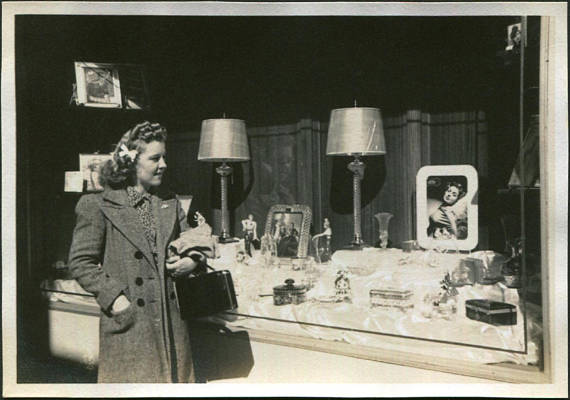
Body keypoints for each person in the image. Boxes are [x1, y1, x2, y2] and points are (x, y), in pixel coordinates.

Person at [68, 121, 214, 383]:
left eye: (164, 157)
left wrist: (191, 261)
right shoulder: (97, 204)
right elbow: (80, 263)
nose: (164, 165)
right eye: (155, 158)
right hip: (131, 325)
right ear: (131, 162)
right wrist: (116, 300)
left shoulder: (169, 202)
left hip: (172, 327)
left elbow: (193, 241)